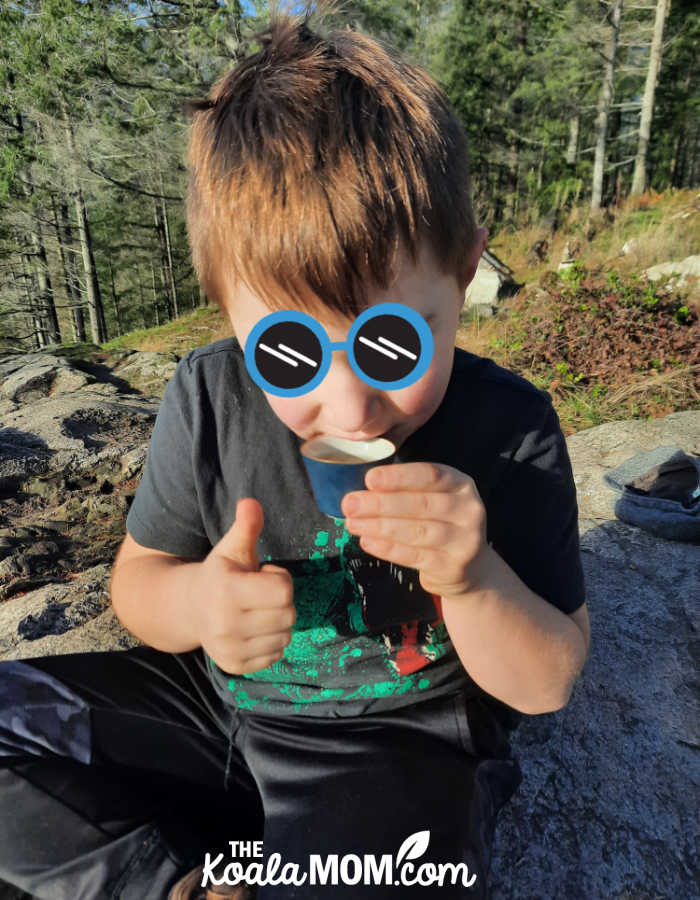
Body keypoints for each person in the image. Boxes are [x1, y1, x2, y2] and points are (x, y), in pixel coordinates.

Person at [0, 4, 590, 899]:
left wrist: (473, 580)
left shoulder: (508, 430)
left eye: (397, 343)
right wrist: (198, 602)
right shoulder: (208, 397)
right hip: (214, 717)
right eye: (290, 352)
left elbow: (547, 681)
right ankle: (169, 883)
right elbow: (139, 581)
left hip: (400, 745)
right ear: (228, 314)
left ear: (466, 273)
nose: (350, 400)